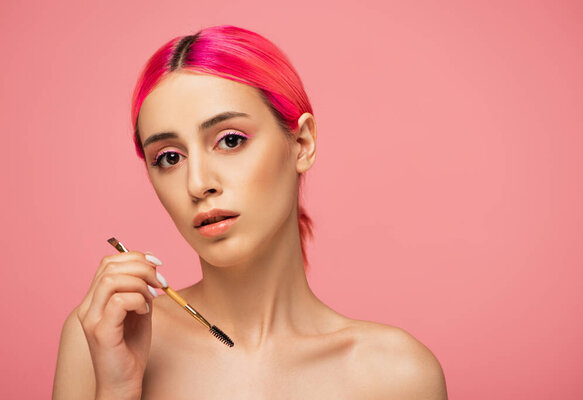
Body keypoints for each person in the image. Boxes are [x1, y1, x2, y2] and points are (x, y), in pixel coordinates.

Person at [52, 25, 448, 399]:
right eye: (169, 157)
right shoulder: (105, 338)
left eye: (230, 140)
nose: (197, 183)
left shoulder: (396, 375)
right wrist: (117, 391)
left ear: (302, 143)